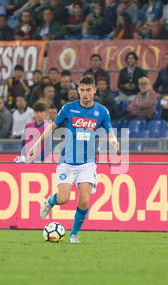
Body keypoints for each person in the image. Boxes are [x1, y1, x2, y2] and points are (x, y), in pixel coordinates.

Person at [28, 75, 119, 244]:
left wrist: (113, 140)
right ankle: (50, 201)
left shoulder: (101, 111)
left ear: (94, 91)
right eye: (82, 90)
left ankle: (73, 235)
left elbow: (109, 130)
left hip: (88, 163)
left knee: (84, 199)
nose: (85, 93)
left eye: (88, 90)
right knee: (63, 199)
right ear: (78, 90)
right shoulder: (68, 108)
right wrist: (35, 146)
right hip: (67, 162)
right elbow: (52, 128)